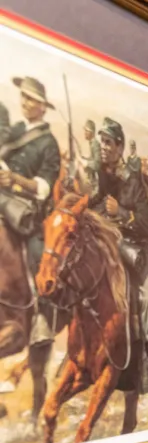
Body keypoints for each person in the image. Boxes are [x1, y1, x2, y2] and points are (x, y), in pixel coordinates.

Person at [91, 118, 148, 394]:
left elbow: (144, 222)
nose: (104, 147)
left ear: (120, 146)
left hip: (136, 250)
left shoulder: (135, 181)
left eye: (108, 143)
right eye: (101, 143)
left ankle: (144, 361)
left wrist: (120, 212)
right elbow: (97, 203)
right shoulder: (102, 175)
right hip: (112, 245)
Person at [0, 76, 61, 347]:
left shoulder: (49, 144)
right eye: (23, 97)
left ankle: (41, 320)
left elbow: (44, 187)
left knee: (40, 258)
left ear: (43, 107)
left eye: (31, 99)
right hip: (2, 198)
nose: (25, 102)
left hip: (28, 212)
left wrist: (14, 179)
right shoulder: (14, 131)